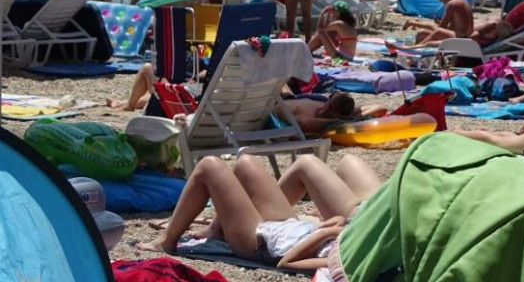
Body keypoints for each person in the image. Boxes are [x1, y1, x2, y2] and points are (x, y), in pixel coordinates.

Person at [137, 154, 380, 270]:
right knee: (246, 163)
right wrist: (332, 227)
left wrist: (327, 233)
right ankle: (216, 230)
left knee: (209, 167)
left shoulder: (351, 260)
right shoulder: (365, 241)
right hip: (287, 226)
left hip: (258, 242)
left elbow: (288, 262)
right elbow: (337, 223)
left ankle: (166, 241)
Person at [389, 0, 474, 49]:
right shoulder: (463, 0)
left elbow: (442, 27)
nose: (443, 3)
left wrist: (438, 24)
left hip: (459, 38)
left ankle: (414, 48)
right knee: (424, 32)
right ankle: (412, 50)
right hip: (466, 36)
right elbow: (454, 24)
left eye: (441, 0)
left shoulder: (452, 3)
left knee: (425, 33)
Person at [278, 91, 387, 134]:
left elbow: (381, 108)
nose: (328, 100)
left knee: (287, 90)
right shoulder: (325, 108)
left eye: (330, 100)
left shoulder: (310, 114)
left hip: (280, 102)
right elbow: (381, 108)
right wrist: (352, 118)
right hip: (297, 99)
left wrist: (342, 120)